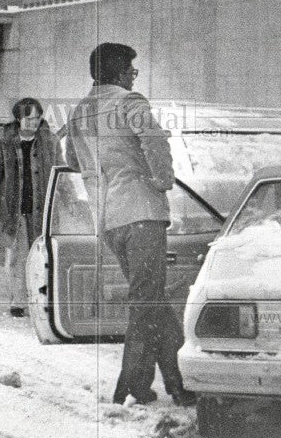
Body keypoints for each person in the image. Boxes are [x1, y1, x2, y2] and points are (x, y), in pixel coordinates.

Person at [65, 43, 196, 407]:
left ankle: (180, 382)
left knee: (152, 301)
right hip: (141, 214)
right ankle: (132, 384)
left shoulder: (79, 112)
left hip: (108, 220)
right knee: (146, 301)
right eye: (131, 71)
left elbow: (72, 159)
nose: (132, 77)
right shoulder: (128, 101)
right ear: (122, 72)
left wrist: (104, 170)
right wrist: (162, 179)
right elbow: (153, 138)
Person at [0, 98, 61, 317]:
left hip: (44, 211)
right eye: (29, 118)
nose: (34, 122)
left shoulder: (50, 141)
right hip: (15, 211)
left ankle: (43, 302)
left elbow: (61, 174)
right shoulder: (3, 141)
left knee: (46, 258)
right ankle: (19, 302)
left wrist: (65, 202)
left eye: (37, 117)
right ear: (18, 118)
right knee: (19, 258)